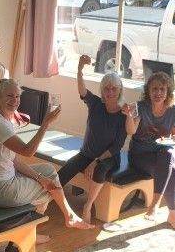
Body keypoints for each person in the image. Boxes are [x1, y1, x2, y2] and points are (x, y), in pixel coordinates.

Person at [0, 78, 93, 239]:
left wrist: (39, 177)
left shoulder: (3, 120)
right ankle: (30, 234)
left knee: (48, 171)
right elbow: (28, 151)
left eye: (17, 96)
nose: (14, 100)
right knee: (50, 187)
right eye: (9, 96)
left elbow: (15, 160)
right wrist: (45, 124)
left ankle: (65, 218)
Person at [55, 55, 134, 224]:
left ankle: (88, 206)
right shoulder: (96, 104)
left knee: (100, 171)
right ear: (102, 91)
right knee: (63, 173)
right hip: (86, 154)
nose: (110, 92)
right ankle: (42, 205)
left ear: (119, 90)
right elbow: (82, 91)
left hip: (109, 158)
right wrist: (79, 70)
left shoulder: (123, 114)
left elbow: (116, 146)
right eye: (107, 89)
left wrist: (96, 161)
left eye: (114, 88)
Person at [125, 71, 175, 230]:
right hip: (141, 155)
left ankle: (155, 204)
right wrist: (129, 116)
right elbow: (131, 131)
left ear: (168, 92)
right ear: (148, 91)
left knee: (167, 153)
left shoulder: (174, 109)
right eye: (154, 89)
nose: (158, 93)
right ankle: (172, 214)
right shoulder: (141, 107)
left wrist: (174, 140)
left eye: (162, 89)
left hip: (164, 152)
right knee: (172, 170)